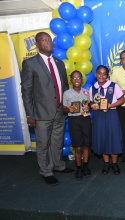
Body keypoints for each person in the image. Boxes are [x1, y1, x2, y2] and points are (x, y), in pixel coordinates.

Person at [21, 32, 74, 186]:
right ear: (37, 44)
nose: (48, 42)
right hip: (41, 112)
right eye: (43, 40)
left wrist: (65, 105)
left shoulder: (59, 63)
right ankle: (46, 171)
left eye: (49, 39)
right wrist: (30, 114)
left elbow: (64, 87)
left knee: (57, 141)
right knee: (43, 144)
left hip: (59, 110)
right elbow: (26, 90)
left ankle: (58, 165)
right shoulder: (30, 63)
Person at [90, 65, 125, 175]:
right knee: (102, 138)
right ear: (95, 75)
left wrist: (110, 106)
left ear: (107, 75)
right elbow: (91, 102)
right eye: (99, 73)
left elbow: (122, 100)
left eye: (104, 74)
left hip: (111, 115)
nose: (101, 75)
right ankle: (106, 163)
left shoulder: (113, 86)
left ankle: (114, 164)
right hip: (99, 117)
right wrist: (93, 106)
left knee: (113, 138)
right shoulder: (93, 88)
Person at [63, 71, 92, 181]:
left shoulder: (86, 92)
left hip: (85, 119)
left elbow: (88, 104)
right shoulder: (66, 93)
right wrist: (68, 109)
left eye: (78, 78)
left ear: (82, 80)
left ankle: (85, 167)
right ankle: (78, 169)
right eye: (74, 78)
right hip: (74, 120)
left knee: (86, 146)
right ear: (71, 80)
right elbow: (63, 108)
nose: (76, 80)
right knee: (78, 147)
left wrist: (88, 107)